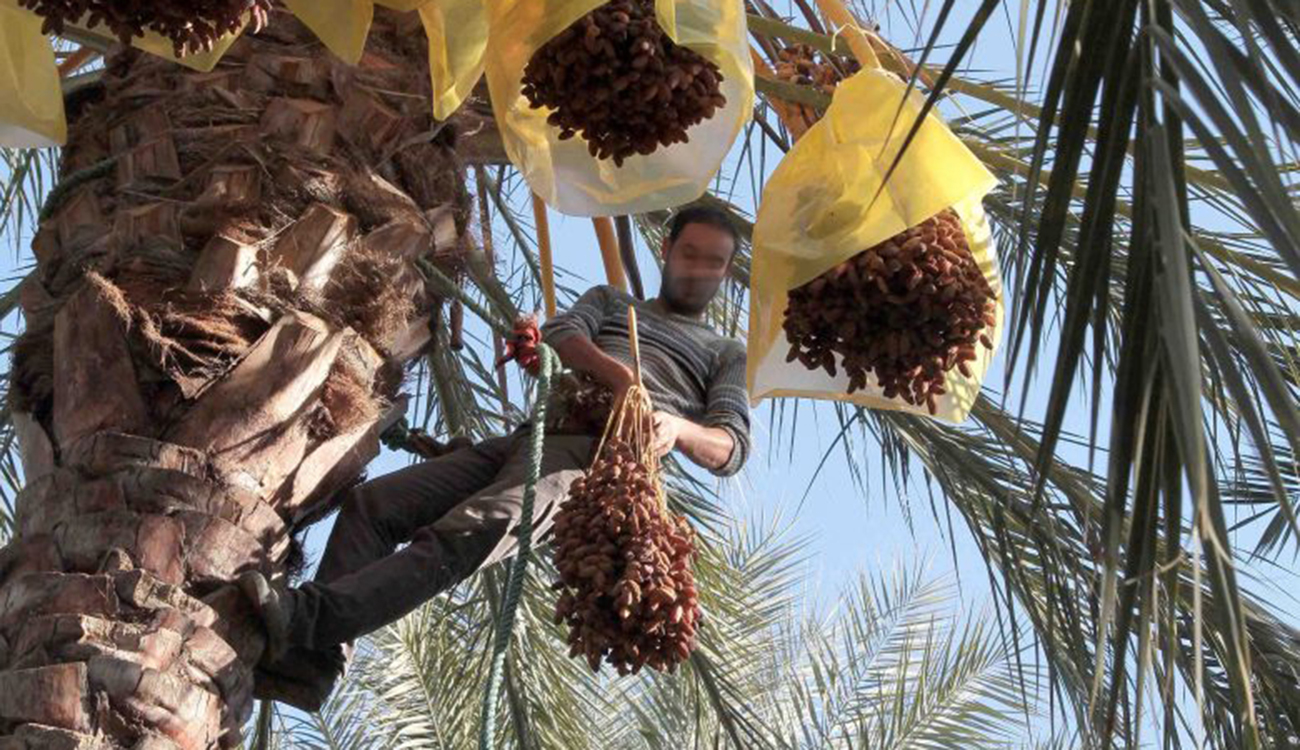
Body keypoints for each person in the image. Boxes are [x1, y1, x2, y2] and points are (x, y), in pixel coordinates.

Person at [240, 204, 751, 709]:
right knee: (373, 506)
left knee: (471, 529)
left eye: (714, 262)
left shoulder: (724, 353)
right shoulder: (614, 303)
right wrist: (619, 377)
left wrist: (678, 427)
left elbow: (730, 447)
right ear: (666, 251)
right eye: (690, 253)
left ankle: (308, 620)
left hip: (595, 463)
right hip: (530, 440)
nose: (699, 269)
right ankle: (315, 666)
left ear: (726, 272)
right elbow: (560, 335)